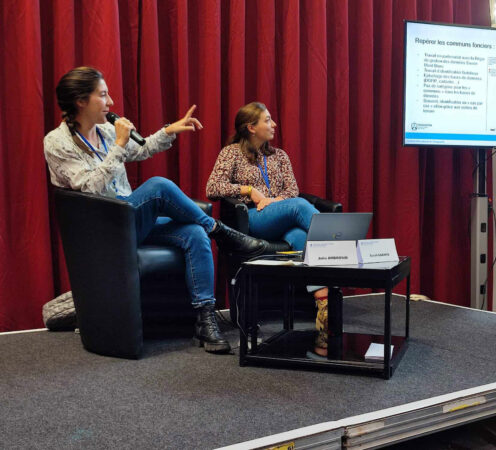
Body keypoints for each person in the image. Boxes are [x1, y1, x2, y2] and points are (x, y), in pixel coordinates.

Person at [44, 66, 267, 354]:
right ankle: (220, 230)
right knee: (159, 185)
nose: (111, 102)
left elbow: (142, 149)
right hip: (102, 229)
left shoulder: (107, 131)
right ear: (81, 101)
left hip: (130, 220)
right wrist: (118, 145)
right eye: (103, 95)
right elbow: (89, 188)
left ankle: (205, 318)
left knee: (193, 233)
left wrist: (168, 130)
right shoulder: (57, 142)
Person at [206, 102, 329, 356]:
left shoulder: (279, 156)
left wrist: (275, 202)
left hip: (279, 214)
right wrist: (249, 190)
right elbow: (213, 187)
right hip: (253, 217)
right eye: (267, 120)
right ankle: (338, 247)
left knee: (299, 235)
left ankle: (324, 305)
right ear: (251, 127)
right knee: (299, 206)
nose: (274, 124)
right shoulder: (231, 153)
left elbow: (292, 189)